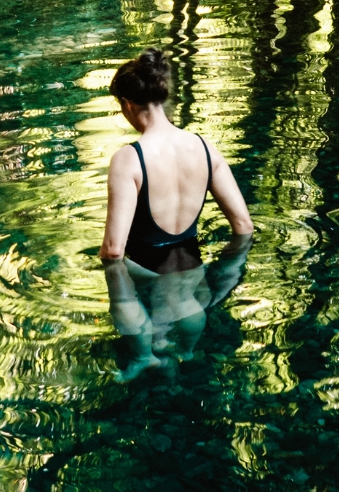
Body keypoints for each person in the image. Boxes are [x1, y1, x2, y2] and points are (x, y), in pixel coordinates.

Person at [99, 47, 254, 377]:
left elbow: (113, 249)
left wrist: (114, 272)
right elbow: (243, 225)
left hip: (146, 268)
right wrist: (224, 273)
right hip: (189, 267)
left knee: (116, 279)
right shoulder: (204, 147)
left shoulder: (128, 159)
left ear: (127, 104)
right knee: (181, 300)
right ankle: (185, 351)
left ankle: (143, 359)